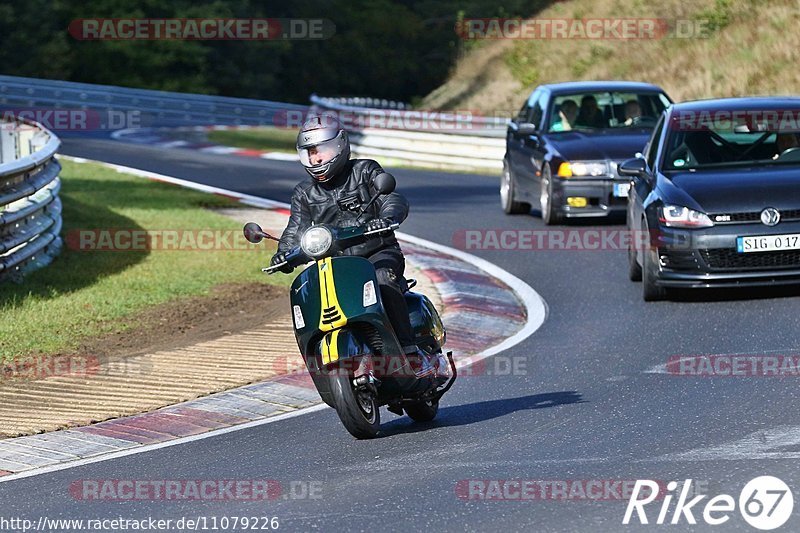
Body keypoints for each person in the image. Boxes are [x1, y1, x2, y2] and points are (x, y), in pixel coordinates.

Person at [271, 115, 433, 374]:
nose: (316, 159)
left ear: (340, 145)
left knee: (383, 280)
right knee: (306, 293)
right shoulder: (304, 193)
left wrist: (386, 218)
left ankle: (410, 350)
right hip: (333, 265)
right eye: (310, 154)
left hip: (377, 252)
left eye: (321, 151)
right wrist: (282, 253)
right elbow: (295, 228)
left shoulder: (365, 171)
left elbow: (392, 197)